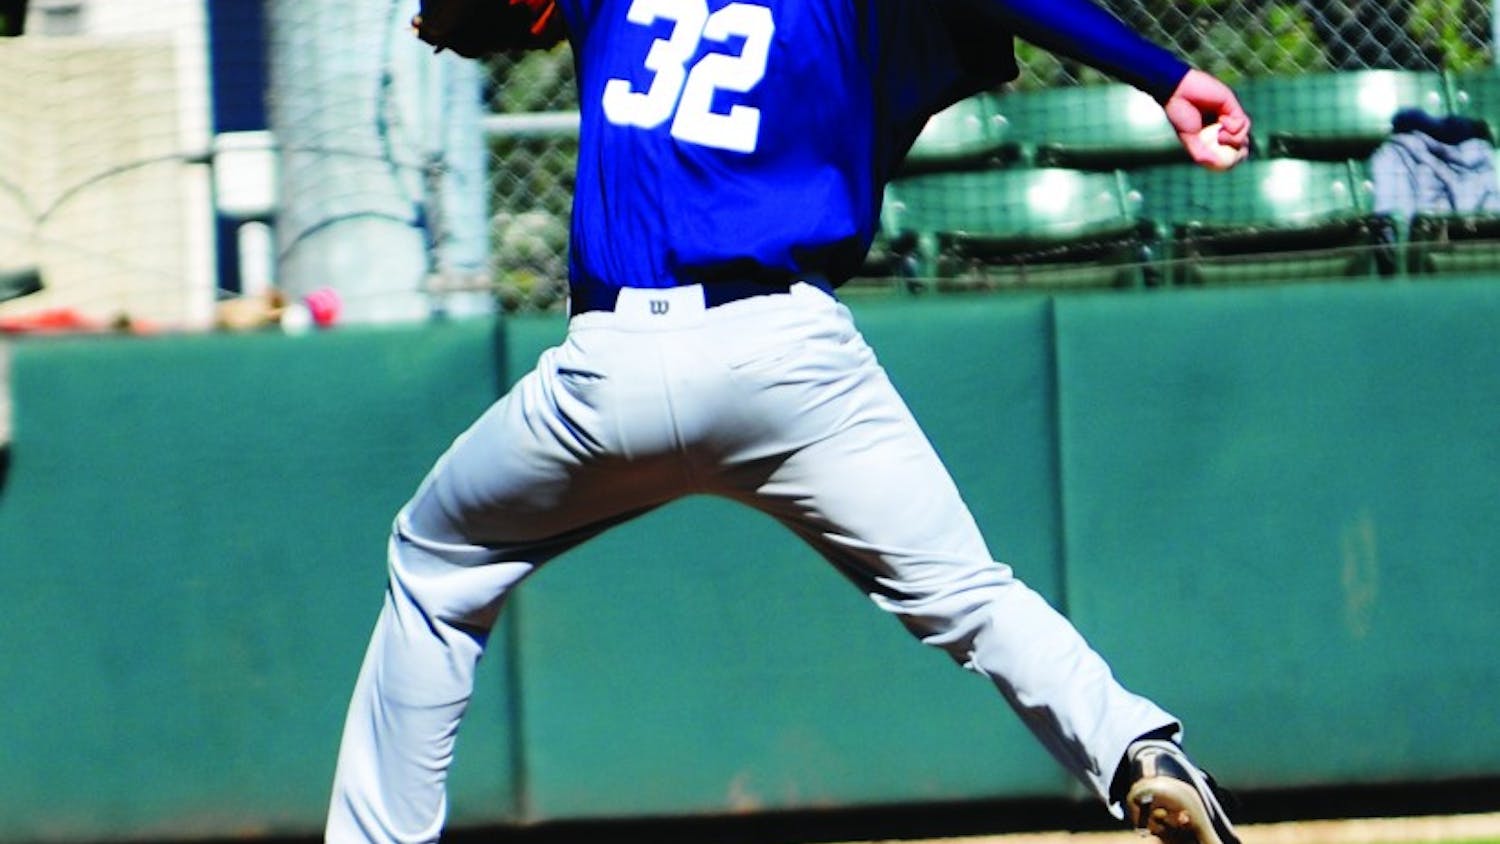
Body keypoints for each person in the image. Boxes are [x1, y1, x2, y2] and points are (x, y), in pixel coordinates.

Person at [327, 1, 1252, 842]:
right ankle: (1133, 747)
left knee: (435, 560)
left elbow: (482, 13)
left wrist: (449, 19)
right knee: (972, 597)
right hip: (791, 359)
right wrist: (1163, 76)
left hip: (610, 364)